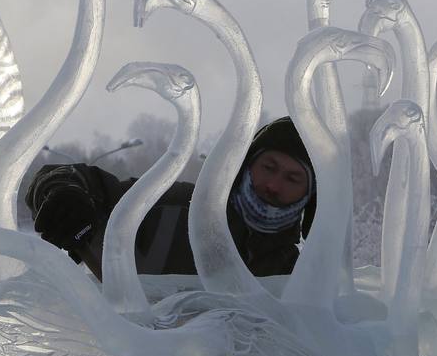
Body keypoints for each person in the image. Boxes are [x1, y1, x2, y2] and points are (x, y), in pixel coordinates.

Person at [24, 117, 316, 281]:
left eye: (292, 179)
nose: (273, 185)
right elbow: (78, 179)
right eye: (269, 168)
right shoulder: (171, 207)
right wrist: (62, 191)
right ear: (246, 164)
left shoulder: (294, 276)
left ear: (309, 195)